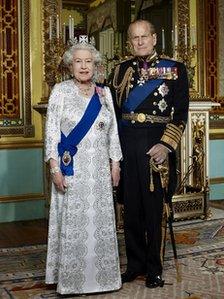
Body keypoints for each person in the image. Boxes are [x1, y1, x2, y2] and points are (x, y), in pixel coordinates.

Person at [112, 20, 189, 288]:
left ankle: (154, 268)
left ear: (155, 38)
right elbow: (113, 114)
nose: (140, 42)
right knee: (130, 209)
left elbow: (180, 114)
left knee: (154, 211)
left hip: (156, 143)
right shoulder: (120, 71)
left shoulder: (175, 69)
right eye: (135, 38)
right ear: (130, 41)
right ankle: (135, 265)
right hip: (127, 143)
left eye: (145, 36)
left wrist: (166, 145)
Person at [44, 36, 122, 295]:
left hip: (99, 170)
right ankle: (72, 281)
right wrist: (55, 168)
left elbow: (113, 133)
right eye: (78, 61)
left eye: (88, 61)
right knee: (75, 223)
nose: (84, 66)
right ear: (70, 65)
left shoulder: (105, 93)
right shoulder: (60, 91)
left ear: (96, 65)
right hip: (72, 169)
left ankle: (103, 280)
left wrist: (115, 163)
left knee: (98, 222)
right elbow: (52, 133)